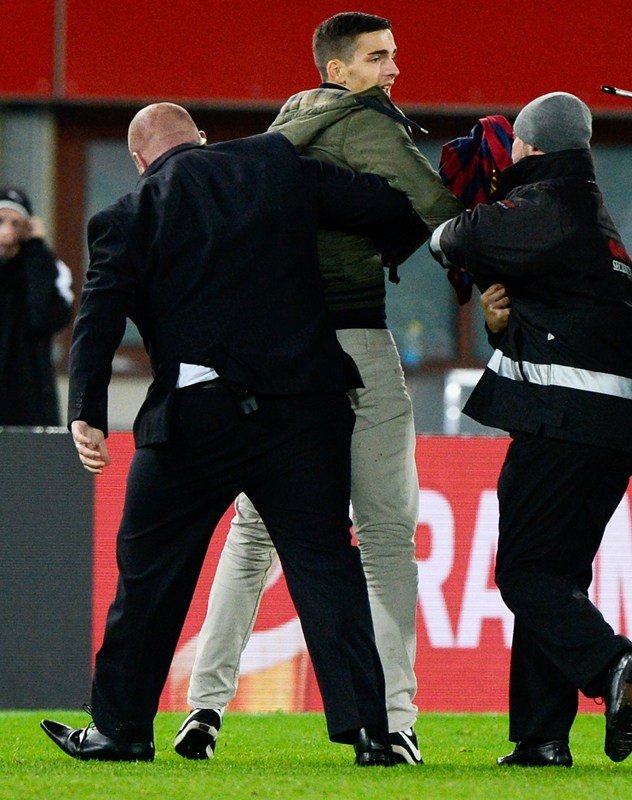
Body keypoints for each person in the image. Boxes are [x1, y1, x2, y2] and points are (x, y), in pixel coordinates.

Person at [42, 102, 425, 767]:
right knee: (326, 566)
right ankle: (372, 732)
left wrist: (87, 413)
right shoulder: (272, 162)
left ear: (140, 160)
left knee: (150, 574)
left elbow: (97, 321)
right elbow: (386, 206)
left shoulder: (126, 216)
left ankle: (121, 730)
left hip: (196, 418)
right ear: (201, 137)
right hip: (304, 409)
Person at [176, 11, 460, 766]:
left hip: (279, 352)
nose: (392, 69)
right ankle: (395, 717)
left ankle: (204, 705)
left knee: (254, 533)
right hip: (355, 342)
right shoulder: (365, 123)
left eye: (392, 55)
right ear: (339, 72)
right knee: (387, 534)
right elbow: (440, 211)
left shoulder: (285, 125)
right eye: (377, 57)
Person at [430, 92, 632, 768]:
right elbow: (559, 304)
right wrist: (503, 319)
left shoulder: (546, 202)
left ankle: (611, 663)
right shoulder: (593, 214)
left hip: (564, 416)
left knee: (524, 572)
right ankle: (541, 737)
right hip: (614, 423)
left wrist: (461, 227)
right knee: (556, 576)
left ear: (529, 148)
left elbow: (455, 237)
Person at [0, 186, 73, 426]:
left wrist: (36, 248)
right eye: (0, 221)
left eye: (15, 224)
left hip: (29, 398)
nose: (6, 232)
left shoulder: (46, 267)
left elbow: (44, 317)